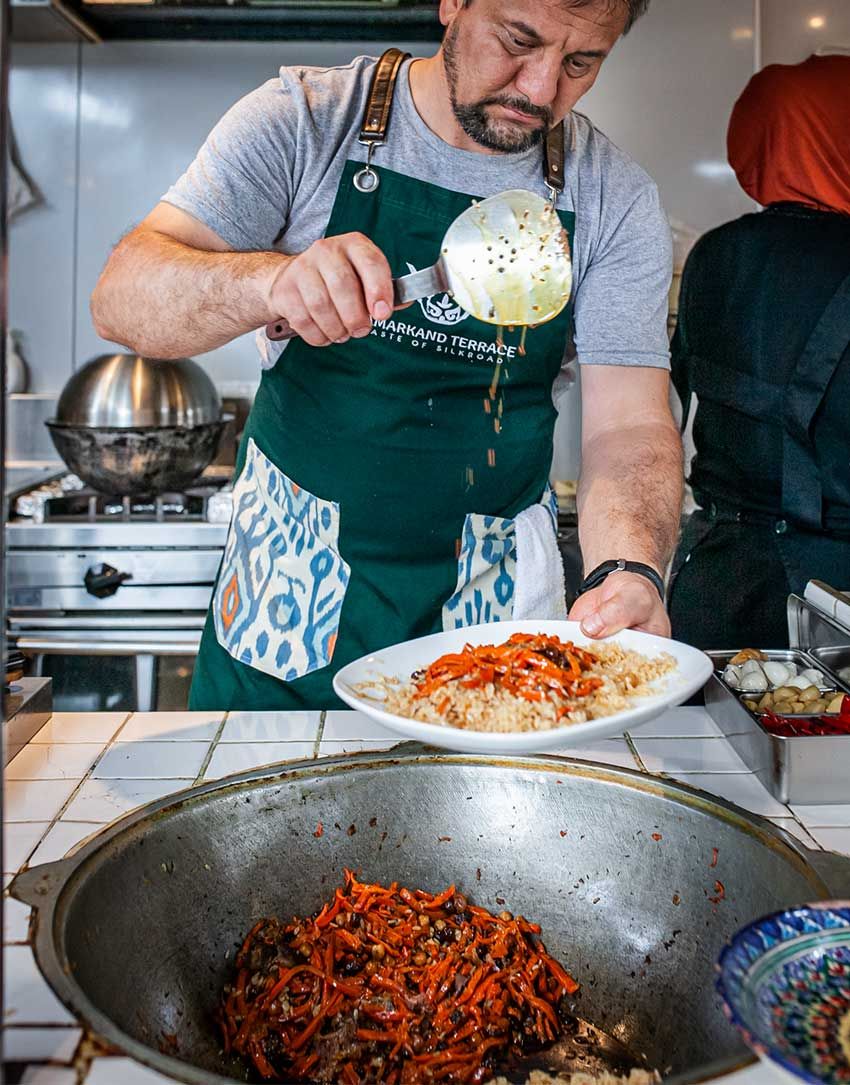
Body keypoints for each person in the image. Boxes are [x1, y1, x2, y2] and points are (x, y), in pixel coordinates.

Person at [91, 0, 683, 711]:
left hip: (490, 631)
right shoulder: (305, 120)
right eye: (518, 42)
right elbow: (121, 298)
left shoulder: (611, 197)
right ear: (454, 3)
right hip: (286, 606)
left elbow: (628, 427)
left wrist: (629, 566)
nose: (539, 89)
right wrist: (270, 282)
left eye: (581, 62)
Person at [669, 54, 850, 649]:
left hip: (717, 581)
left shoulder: (713, 255)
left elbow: (678, 394)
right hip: (836, 599)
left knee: (696, 739)